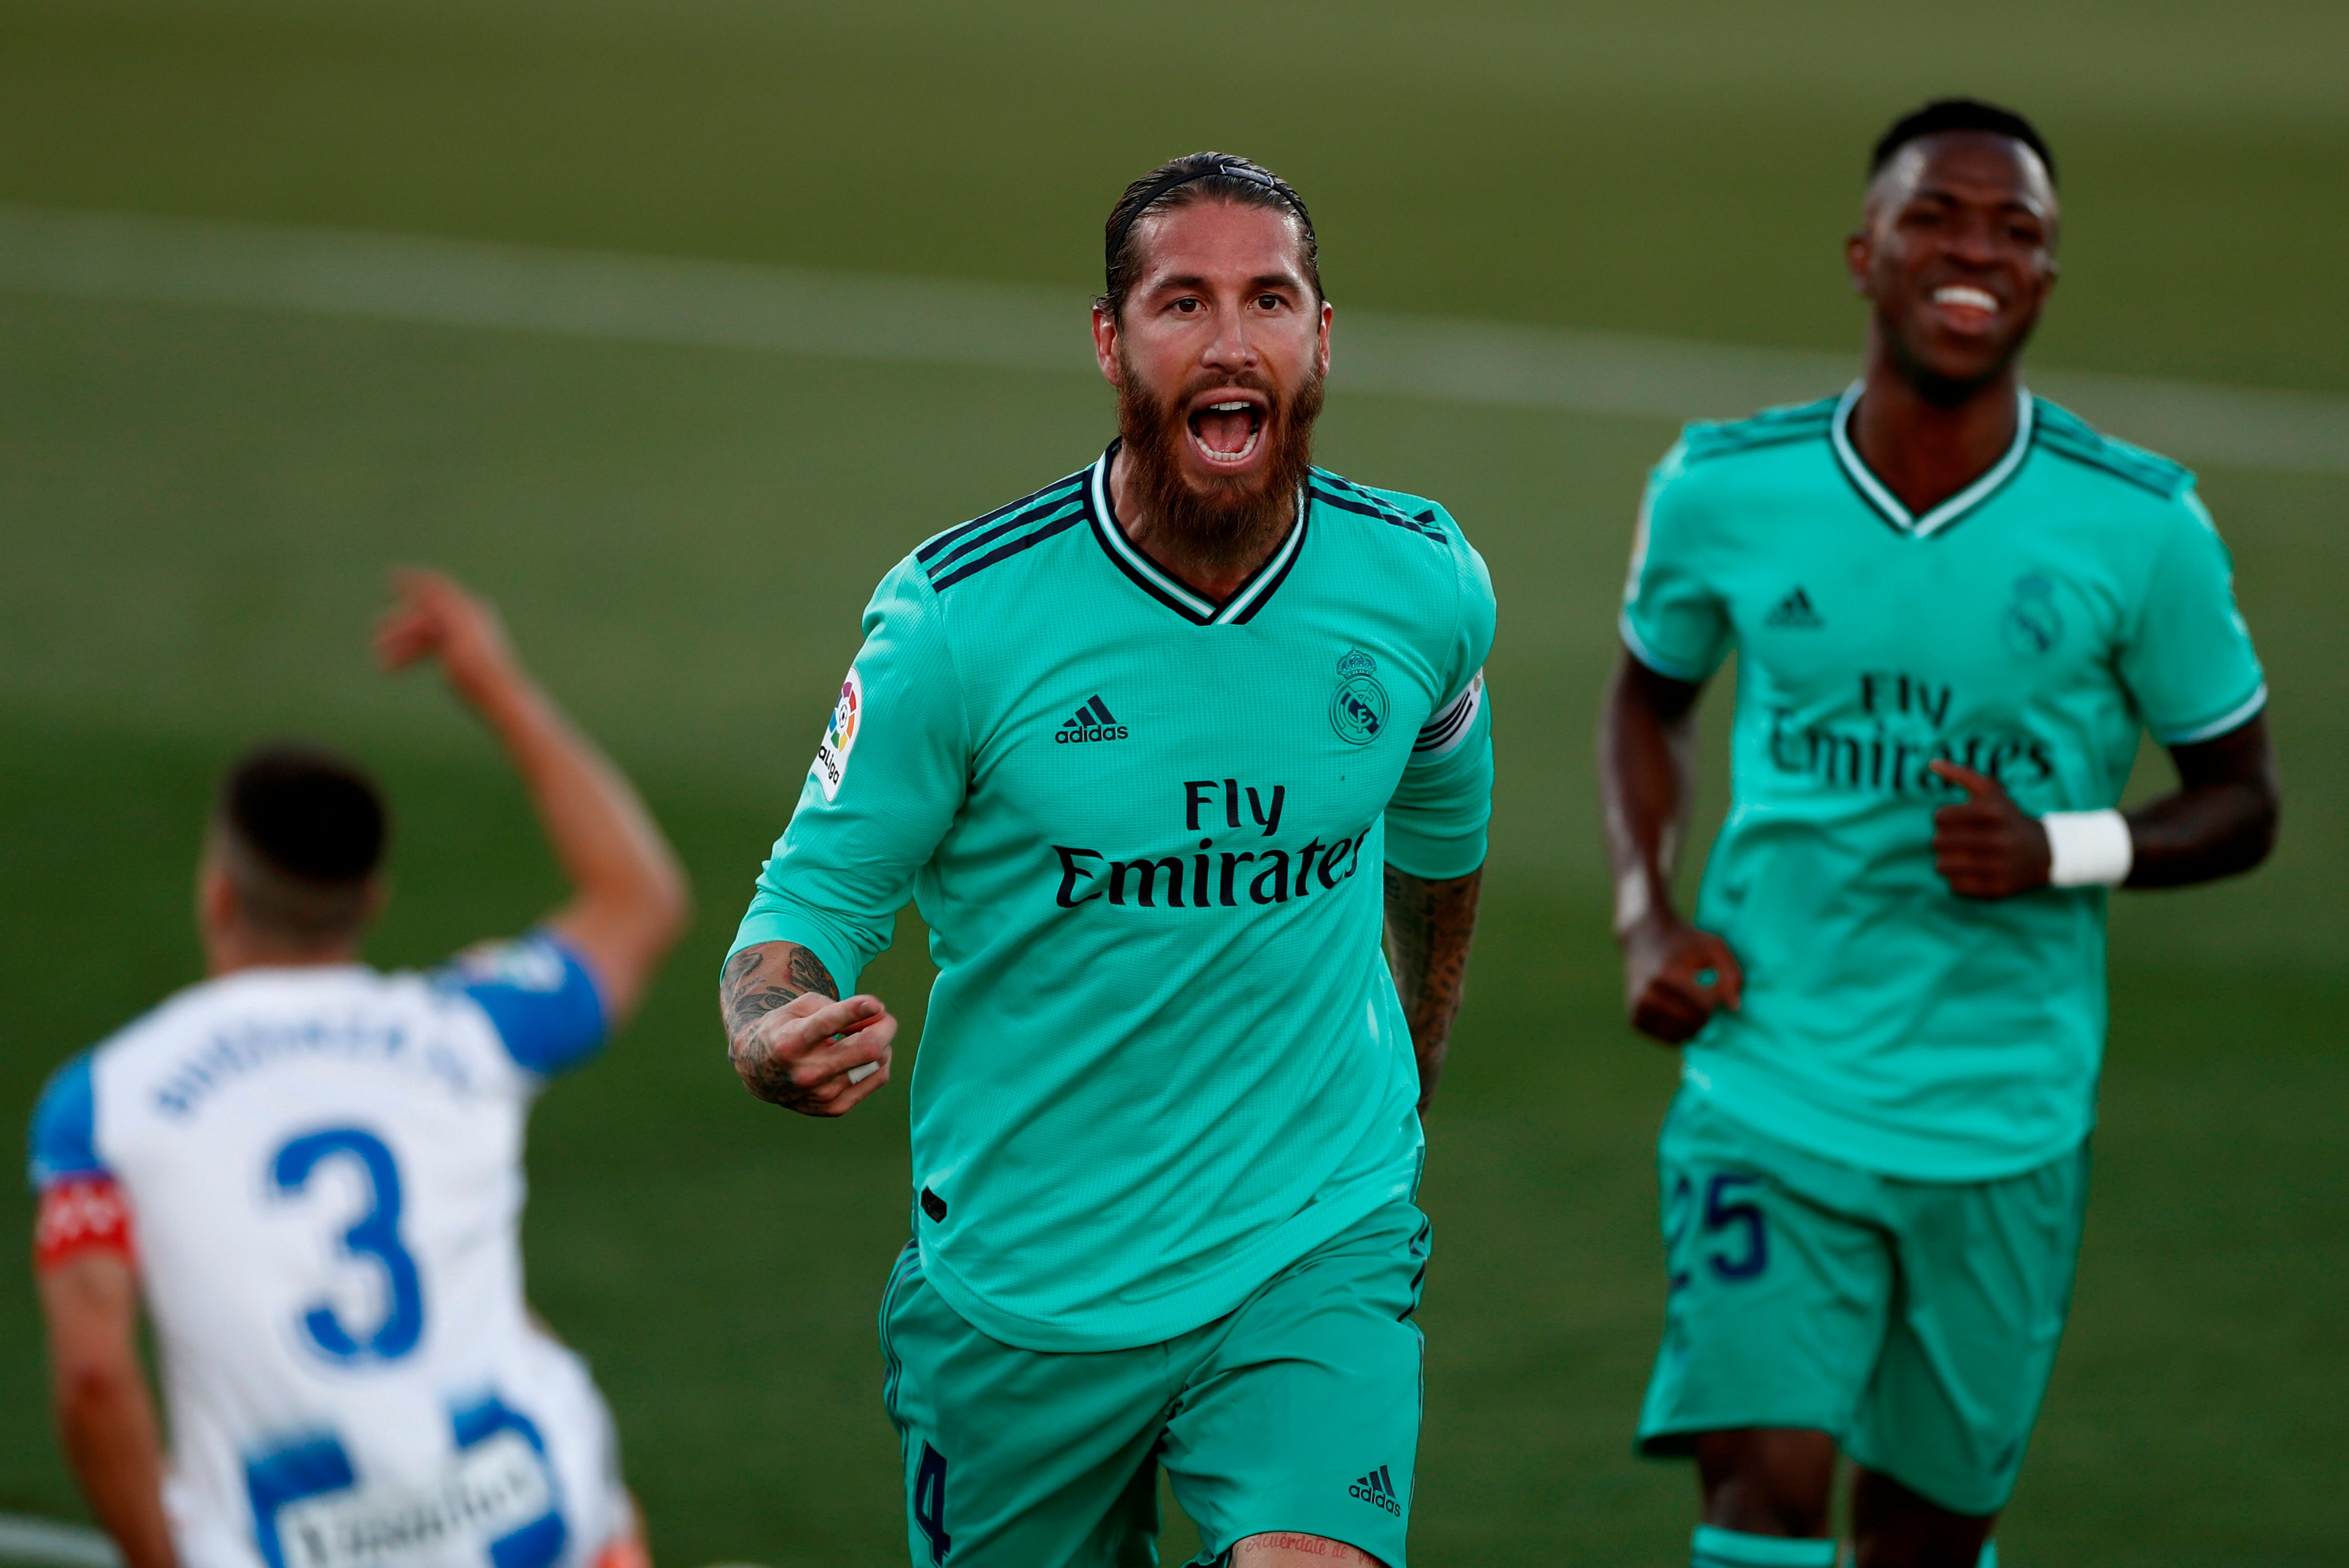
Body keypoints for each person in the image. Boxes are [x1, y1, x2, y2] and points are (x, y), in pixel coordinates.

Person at [720, 152, 1495, 1568]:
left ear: (1322, 335)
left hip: (1310, 1232)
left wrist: (1418, 1050)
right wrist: (774, 1029)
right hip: (1026, 1287)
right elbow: (806, 906)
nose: (1229, 341)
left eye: (1269, 299)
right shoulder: (958, 621)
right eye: (1181, 302)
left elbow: (1443, 832)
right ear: (1109, 341)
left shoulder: (1422, 584)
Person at [1599, 99, 2279, 1568]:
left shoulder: (2141, 528)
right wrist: (1646, 910)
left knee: (1919, 1535)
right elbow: (1645, 703)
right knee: (1760, 1492)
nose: (1974, 250)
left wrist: (2063, 849)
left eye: (2014, 230)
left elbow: (2243, 802)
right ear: (1866, 253)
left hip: (2003, 1117)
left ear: (2043, 278)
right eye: (1935, 218)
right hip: (1770, 1081)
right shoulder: (1721, 487)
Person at [30, 572, 690, 1568]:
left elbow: (91, 1377)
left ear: (217, 895)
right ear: (371, 901)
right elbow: (639, 899)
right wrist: (497, 687)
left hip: (293, 1545)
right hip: (533, 1525)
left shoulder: (106, 1102)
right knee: (553, 1397)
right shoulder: (466, 1032)